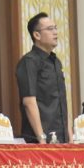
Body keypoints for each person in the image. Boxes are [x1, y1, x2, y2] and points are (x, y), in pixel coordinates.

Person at [16, 12, 72, 144]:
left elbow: (62, 102)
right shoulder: (29, 62)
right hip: (40, 141)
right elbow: (29, 102)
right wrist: (41, 138)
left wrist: (70, 136)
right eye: (50, 29)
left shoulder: (56, 62)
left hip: (61, 138)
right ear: (37, 35)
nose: (55, 32)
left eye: (55, 28)